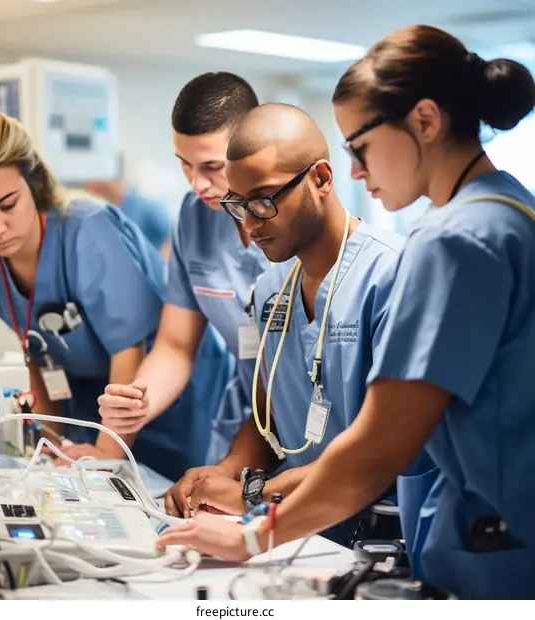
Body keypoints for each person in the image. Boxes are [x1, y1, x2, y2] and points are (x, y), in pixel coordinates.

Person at [156, 24, 535, 600]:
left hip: (493, 548)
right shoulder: (511, 209)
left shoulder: (453, 241)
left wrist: (256, 529)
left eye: (359, 146)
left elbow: (381, 448)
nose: (356, 170)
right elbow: (272, 416)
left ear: (426, 121)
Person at [159, 103, 431, 546]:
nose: (249, 223)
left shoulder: (395, 276)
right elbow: (268, 418)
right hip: (299, 531)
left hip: (386, 535)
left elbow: (382, 449)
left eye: (264, 201)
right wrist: (226, 471)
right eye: (238, 204)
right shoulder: (270, 289)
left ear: (321, 179)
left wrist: (252, 492)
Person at [0, 109, 228, 482]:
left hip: (163, 396)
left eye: (7, 204)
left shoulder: (89, 229)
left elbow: (129, 348)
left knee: (173, 498)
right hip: (94, 401)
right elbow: (37, 350)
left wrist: (107, 451)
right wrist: (47, 446)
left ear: (33, 182)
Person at [98, 73, 271, 465]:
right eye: (185, 165)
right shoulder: (194, 218)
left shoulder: (294, 225)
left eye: (212, 166)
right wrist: (139, 402)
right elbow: (176, 345)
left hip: (309, 423)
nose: (198, 184)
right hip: (245, 421)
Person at [83, 179, 172, 259]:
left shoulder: (146, 208)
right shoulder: (104, 213)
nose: (90, 184)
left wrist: (163, 271)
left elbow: (173, 238)